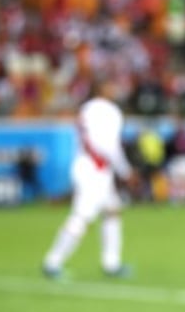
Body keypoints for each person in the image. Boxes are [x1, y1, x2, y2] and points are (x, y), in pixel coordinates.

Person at [42, 80, 134, 279]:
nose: (115, 89)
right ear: (102, 88)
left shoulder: (86, 109)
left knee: (112, 211)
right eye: (111, 85)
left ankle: (111, 263)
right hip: (96, 169)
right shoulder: (108, 111)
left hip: (87, 164)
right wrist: (125, 170)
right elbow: (108, 145)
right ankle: (53, 261)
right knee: (82, 216)